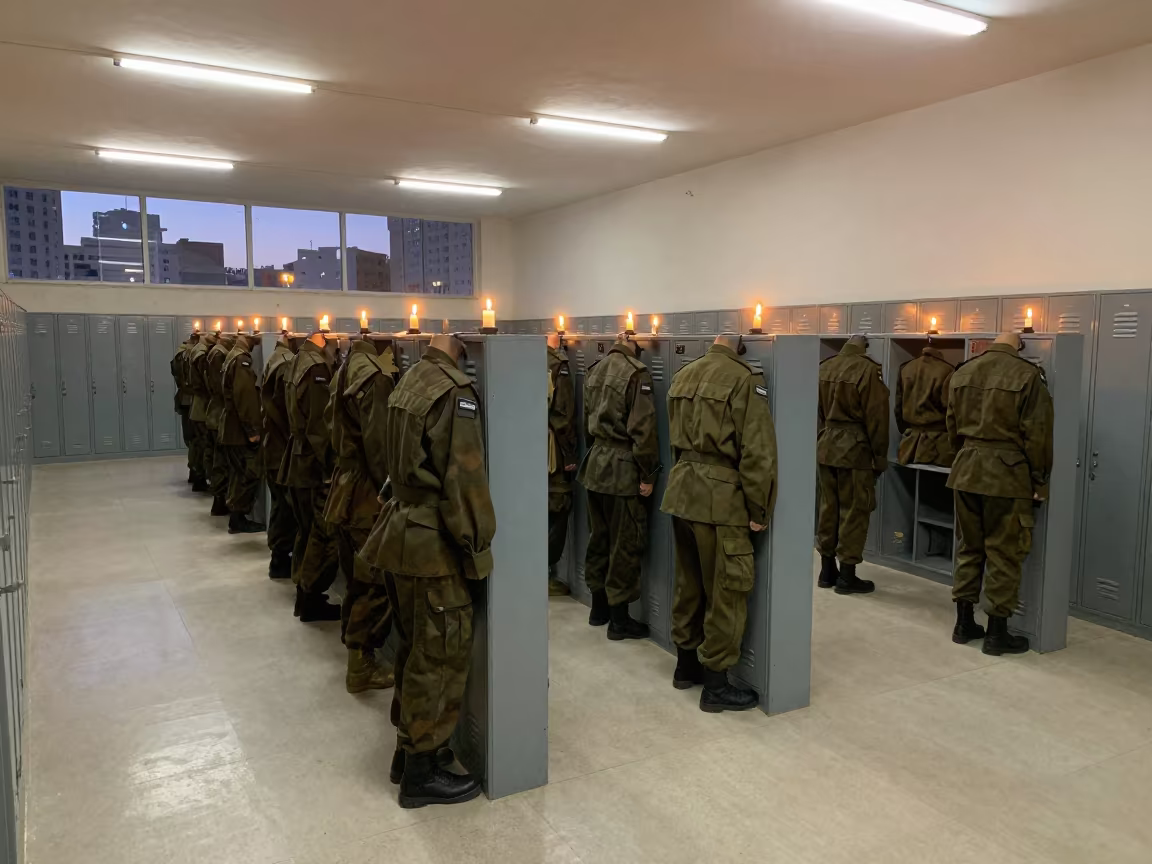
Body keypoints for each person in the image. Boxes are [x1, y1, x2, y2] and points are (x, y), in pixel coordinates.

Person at [358, 333, 495, 809]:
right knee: (438, 656)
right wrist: (478, 549)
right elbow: (464, 483)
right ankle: (421, 770)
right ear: (463, 349)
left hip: (399, 534)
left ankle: (407, 749)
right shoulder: (455, 392)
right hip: (432, 546)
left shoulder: (408, 379)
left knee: (415, 650)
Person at [661, 334, 778, 713]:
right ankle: (715, 686)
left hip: (682, 491)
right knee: (727, 589)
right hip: (722, 499)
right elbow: (757, 451)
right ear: (739, 347)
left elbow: (675, 442)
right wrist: (760, 509)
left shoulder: (683, 375)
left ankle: (685, 667)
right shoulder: (745, 378)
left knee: (689, 584)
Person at [947, 332, 1053, 655]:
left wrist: (965, 458)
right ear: (1018, 345)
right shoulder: (1027, 375)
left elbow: (951, 425)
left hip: (966, 470)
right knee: (1004, 552)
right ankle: (996, 633)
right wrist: (1039, 480)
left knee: (969, 548)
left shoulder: (962, 371)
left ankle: (963, 623)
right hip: (1007, 476)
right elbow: (1038, 435)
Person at [324, 334, 398, 693]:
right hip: (367, 494)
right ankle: (361, 665)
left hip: (345, 485)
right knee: (374, 579)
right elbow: (380, 445)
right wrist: (392, 491)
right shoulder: (376, 376)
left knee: (357, 575)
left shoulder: (346, 367)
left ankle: (353, 647)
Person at [578, 332, 660, 639]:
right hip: (623, 470)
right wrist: (648, 475)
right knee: (624, 543)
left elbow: (587, 420)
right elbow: (643, 431)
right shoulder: (636, 373)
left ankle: (598, 609)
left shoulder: (595, 369)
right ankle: (619, 620)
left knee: (598, 538)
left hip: (596, 465)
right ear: (635, 345)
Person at [816, 334, 889, 595]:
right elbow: (877, 419)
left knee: (828, 507)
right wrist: (879, 458)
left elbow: (819, 413)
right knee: (854, 510)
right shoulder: (868, 370)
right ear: (865, 348)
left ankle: (826, 570)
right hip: (855, 449)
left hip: (826, 446)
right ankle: (847, 575)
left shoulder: (824, 366)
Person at [278, 330, 341, 621]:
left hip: (297, 458)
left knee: (306, 529)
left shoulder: (296, 360)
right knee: (322, 533)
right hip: (311, 465)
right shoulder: (316, 368)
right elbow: (319, 425)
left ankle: (303, 592)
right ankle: (310, 597)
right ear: (324, 343)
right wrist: (330, 467)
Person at [219, 331, 266, 534]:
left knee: (239, 472)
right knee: (249, 472)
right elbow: (245, 398)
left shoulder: (232, 356)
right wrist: (252, 430)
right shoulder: (241, 360)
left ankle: (236, 517)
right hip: (238, 430)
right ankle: (238, 519)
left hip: (231, 427)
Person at [260, 331, 298, 579]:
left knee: (281, 504)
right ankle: (280, 558)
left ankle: (279, 555)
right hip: (281, 449)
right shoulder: (286, 364)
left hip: (272, 446)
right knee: (285, 506)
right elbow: (287, 412)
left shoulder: (274, 358)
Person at [546, 333, 578, 596]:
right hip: (552, 451)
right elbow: (563, 414)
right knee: (557, 506)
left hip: (527, 448)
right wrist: (569, 455)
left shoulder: (525, 358)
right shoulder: (558, 365)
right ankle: (545, 574)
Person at [895, 343, 955, 467]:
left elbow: (898, 407)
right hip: (937, 446)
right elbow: (950, 410)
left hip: (909, 444)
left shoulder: (906, 368)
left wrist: (905, 431)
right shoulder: (948, 370)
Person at [205, 331, 237, 517]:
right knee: (222, 462)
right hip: (218, 415)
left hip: (214, 413)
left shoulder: (212, 353)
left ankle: (219, 499)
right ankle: (220, 501)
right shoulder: (219, 356)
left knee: (218, 459)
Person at [186, 331, 216, 494]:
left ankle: (197, 475)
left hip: (197, 405)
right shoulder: (201, 355)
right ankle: (200, 477)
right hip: (202, 407)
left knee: (198, 443)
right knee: (204, 445)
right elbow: (204, 383)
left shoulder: (195, 351)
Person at [172, 333, 201, 486]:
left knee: (191, 439)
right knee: (196, 439)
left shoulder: (180, 353)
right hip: (192, 400)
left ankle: (194, 472)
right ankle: (197, 474)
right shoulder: (191, 354)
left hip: (185, 400)